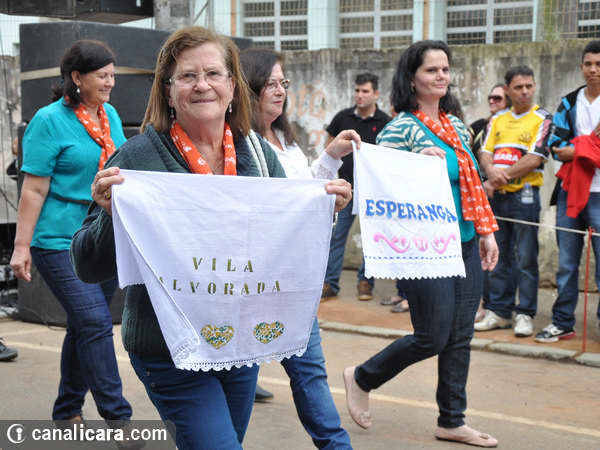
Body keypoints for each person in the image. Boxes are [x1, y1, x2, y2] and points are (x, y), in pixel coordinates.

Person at [69, 27, 353, 450]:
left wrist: (321, 211)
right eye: (187, 76)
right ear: (168, 92)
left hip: (239, 344)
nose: (202, 85)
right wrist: (110, 216)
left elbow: (280, 241)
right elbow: (87, 266)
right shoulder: (138, 159)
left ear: (232, 87)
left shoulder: (259, 155)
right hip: (170, 350)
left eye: (213, 74)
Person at [342, 40, 499, 448]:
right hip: (424, 248)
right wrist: (414, 164)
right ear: (412, 78)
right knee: (432, 335)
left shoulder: (457, 126)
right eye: (432, 70)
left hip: (464, 240)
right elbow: (379, 181)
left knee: (460, 335)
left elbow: (472, 182)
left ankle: (452, 420)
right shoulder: (399, 129)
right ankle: (363, 377)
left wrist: (485, 231)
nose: (441, 76)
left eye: (445, 69)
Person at [9, 40, 138, 443]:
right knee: (96, 323)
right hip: (57, 238)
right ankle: (119, 418)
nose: (110, 82)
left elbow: (119, 168)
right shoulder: (48, 121)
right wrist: (21, 246)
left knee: (83, 326)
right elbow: (33, 189)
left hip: (99, 235)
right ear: (77, 77)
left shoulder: (108, 114)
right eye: (102, 75)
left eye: (113, 75)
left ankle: (66, 410)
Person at [240, 47, 355, 449]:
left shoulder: (285, 139)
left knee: (309, 371)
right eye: (270, 83)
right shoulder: (240, 142)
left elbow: (305, 190)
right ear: (248, 87)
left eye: (283, 83)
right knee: (239, 379)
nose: (280, 91)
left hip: (292, 279)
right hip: (254, 280)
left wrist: (331, 158)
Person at [475, 66, 553, 337]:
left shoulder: (543, 118)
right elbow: (485, 152)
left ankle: (525, 313)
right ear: (507, 90)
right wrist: (491, 171)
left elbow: (535, 158)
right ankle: (499, 311)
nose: (525, 92)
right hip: (497, 199)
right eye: (518, 87)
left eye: (529, 86)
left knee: (526, 258)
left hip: (525, 196)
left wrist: (496, 179)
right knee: (498, 254)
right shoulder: (497, 119)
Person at [534, 40, 600, 343]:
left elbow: (569, 148)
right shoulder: (570, 102)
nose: (593, 69)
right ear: (581, 67)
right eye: (589, 64)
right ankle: (562, 322)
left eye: (598, 64)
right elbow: (556, 147)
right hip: (569, 191)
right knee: (566, 265)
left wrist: (578, 148)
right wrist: (590, 144)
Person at [321, 73, 392, 302]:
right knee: (336, 237)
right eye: (357, 91)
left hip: (372, 192)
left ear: (376, 94)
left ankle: (365, 282)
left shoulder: (385, 122)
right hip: (345, 189)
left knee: (372, 238)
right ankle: (330, 283)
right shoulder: (342, 118)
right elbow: (329, 147)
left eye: (365, 91)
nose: (360, 95)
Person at [468, 84, 511, 322]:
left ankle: (499, 308)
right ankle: (482, 304)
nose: (493, 101)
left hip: (503, 193)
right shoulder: (477, 127)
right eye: (490, 97)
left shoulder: (509, 125)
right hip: (477, 194)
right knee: (480, 252)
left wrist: (492, 181)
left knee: (503, 256)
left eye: (498, 98)